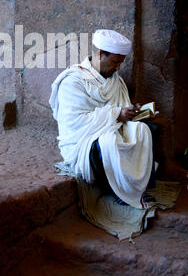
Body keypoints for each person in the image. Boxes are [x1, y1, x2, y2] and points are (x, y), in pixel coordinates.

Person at [49, 29, 157, 209]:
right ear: (100, 54)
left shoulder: (115, 80)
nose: (118, 68)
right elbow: (75, 121)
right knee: (110, 142)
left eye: (120, 63)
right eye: (115, 62)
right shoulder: (73, 81)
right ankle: (118, 190)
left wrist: (131, 111)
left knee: (143, 130)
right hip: (82, 139)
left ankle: (137, 188)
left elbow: (121, 105)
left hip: (111, 126)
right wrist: (116, 113)